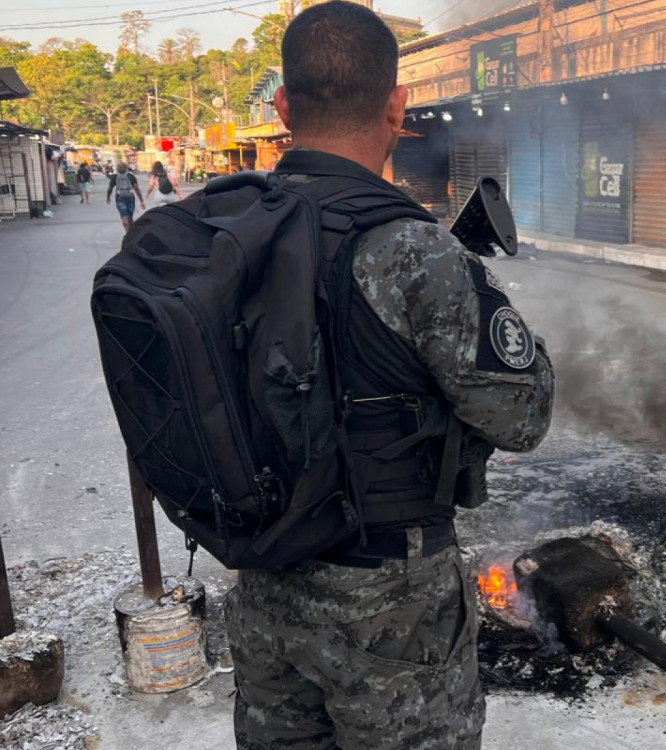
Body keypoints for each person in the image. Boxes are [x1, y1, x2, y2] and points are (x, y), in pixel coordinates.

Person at [222, 3, 554, 750]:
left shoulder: (225, 231)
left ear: (282, 107)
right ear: (398, 106)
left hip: (264, 581)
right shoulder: (416, 252)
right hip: (389, 600)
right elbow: (522, 419)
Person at [105, 161, 145, 232]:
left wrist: (108, 197)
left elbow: (136, 189)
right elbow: (110, 188)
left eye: (121, 167)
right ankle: (129, 235)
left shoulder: (130, 176)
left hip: (128, 198)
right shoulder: (117, 177)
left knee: (129, 218)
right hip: (122, 199)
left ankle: (131, 232)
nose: (120, 168)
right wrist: (141, 201)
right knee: (125, 219)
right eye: (119, 167)